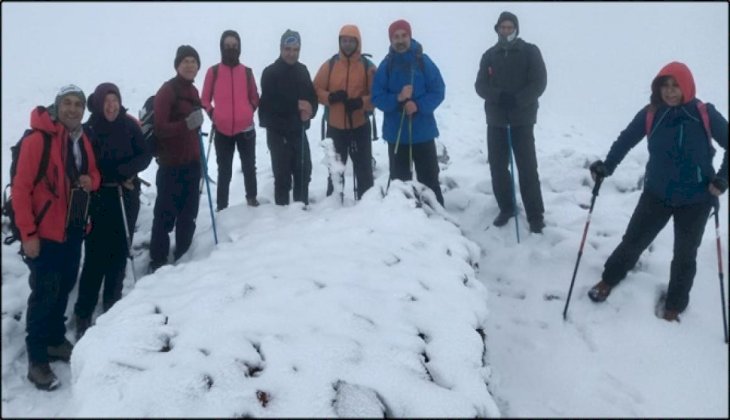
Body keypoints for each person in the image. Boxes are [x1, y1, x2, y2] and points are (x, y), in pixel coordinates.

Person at [587, 61, 728, 322]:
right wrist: (608, 166)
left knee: (685, 255)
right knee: (632, 242)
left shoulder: (703, 113)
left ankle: (674, 304)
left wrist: (722, 179)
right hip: (657, 194)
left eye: (676, 86)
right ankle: (608, 279)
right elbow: (626, 139)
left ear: (686, 86)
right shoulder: (652, 113)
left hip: (696, 200)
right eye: (665, 86)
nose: (670, 92)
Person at [12, 85, 101, 390]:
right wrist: (28, 234)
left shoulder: (82, 139)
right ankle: (37, 359)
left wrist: (92, 180)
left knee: (63, 288)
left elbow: (94, 174)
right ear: (57, 106)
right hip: (45, 234)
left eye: (78, 104)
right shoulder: (38, 140)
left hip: (73, 229)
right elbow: (21, 189)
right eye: (68, 103)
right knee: (43, 296)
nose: (73, 109)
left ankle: (54, 340)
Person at [73, 83, 152, 340]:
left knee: (119, 253)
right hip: (99, 198)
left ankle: (112, 304)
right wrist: (115, 174)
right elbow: (83, 166)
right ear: (97, 103)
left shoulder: (129, 124)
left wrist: (126, 172)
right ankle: (83, 312)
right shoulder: (89, 130)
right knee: (95, 256)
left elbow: (145, 154)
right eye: (106, 101)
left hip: (127, 196)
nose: (111, 105)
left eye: (115, 100)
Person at [474, 11, 547, 233]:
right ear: (497, 29)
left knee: (526, 167)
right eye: (502, 27)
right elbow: (480, 85)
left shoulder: (529, 51)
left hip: (522, 119)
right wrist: (498, 97)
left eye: (509, 27)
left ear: (516, 29)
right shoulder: (489, 55)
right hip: (496, 120)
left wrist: (518, 100)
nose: (506, 30)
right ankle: (507, 207)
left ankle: (535, 214)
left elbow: (539, 82)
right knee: (497, 166)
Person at [372, 19, 446, 206]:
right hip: (396, 136)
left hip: (423, 134)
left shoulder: (423, 62)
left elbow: (438, 91)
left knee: (430, 183)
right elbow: (377, 96)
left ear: (410, 36)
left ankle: (439, 223)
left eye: (404, 35)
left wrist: (418, 105)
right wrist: (397, 98)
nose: (400, 40)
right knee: (399, 185)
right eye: (396, 37)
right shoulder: (386, 65)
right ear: (390, 40)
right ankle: (403, 227)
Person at [148, 45, 205, 273]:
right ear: (177, 65)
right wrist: (186, 124)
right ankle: (158, 260)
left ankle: (184, 255)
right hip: (171, 166)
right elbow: (160, 128)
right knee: (164, 216)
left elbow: (194, 125)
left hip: (193, 164)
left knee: (188, 215)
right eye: (186, 62)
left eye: (194, 61)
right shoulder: (167, 91)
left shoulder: (193, 91)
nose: (190, 65)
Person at [313, 24, 376, 201]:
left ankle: (367, 203)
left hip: (360, 126)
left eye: (351, 41)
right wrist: (330, 97)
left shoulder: (367, 66)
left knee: (363, 168)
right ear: (339, 42)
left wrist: (361, 103)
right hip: (335, 127)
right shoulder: (330, 65)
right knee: (335, 170)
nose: (347, 44)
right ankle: (333, 204)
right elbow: (315, 89)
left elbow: (377, 96)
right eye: (344, 40)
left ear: (358, 43)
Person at [201, 29, 261, 211]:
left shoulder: (247, 72)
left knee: (249, 166)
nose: (231, 49)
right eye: (227, 46)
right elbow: (204, 99)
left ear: (239, 48)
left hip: (246, 129)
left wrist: (249, 111)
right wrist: (213, 114)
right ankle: (222, 207)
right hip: (222, 130)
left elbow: (255, 97)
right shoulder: (214, 71)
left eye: (234, 46)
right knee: (224, 171)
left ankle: (252, 199)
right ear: (221, 48)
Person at [258, 29, 318, 205]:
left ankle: (302, 209)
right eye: (288, 49)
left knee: (304, 172)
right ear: (280, 48)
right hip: (278, 133)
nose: (291, 53)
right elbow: (267, 107)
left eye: (295, 49)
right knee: (283, 177)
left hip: (298, 131)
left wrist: (311, 110)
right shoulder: (270, 72)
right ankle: (282, 218)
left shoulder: (303, 70)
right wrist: (295, 106)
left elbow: (312, 98)